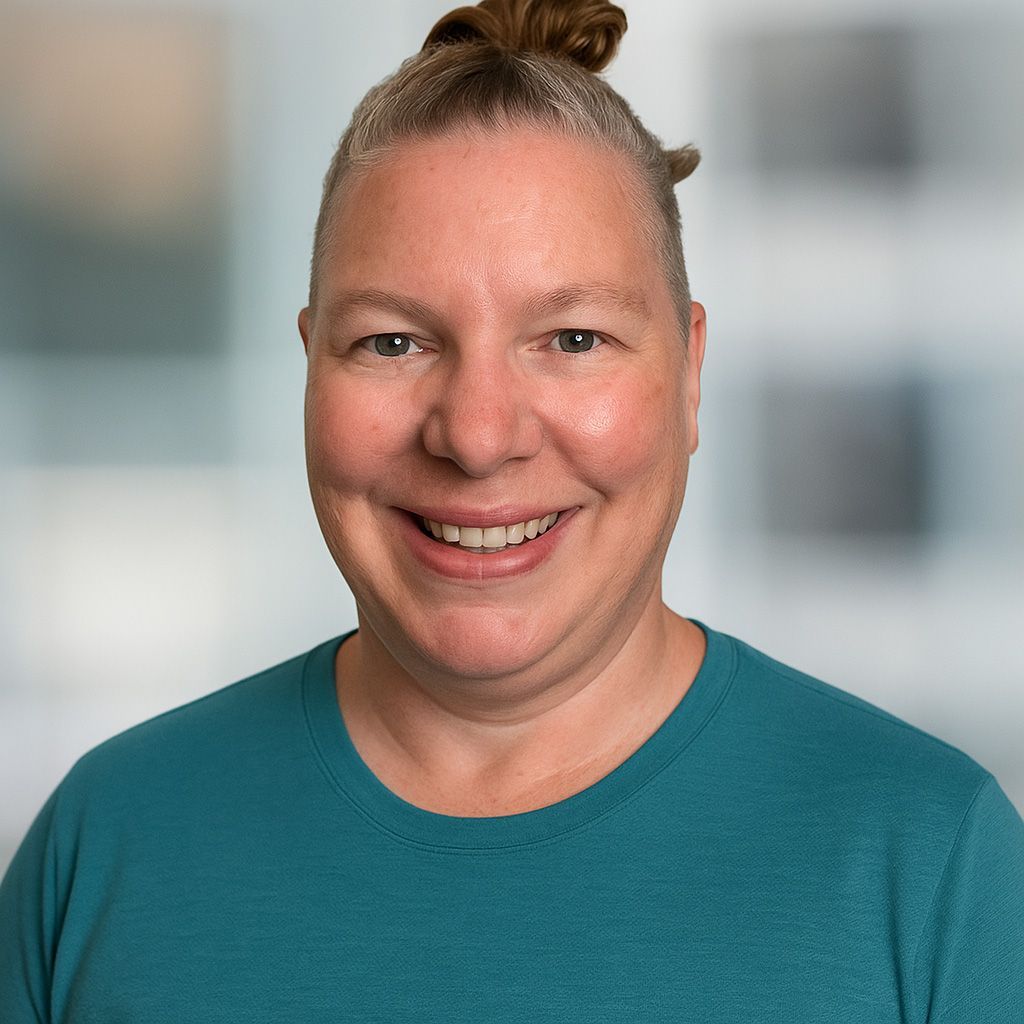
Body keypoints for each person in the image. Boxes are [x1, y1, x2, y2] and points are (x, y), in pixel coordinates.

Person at [2, 0, 1022, 1019]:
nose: (479, 436)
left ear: (690, 371)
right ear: (308, 365)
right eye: (393, 342)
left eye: (572, 338)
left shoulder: (930, 862)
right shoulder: (107, 846)